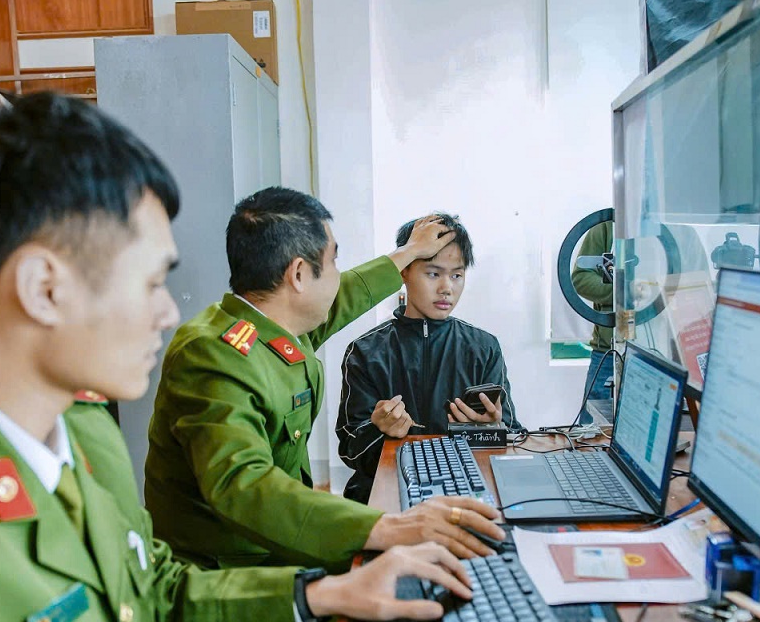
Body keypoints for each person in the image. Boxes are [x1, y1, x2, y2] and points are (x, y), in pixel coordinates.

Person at [0, 93, 474, 622]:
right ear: (43, 288)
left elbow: (151, 597)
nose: (168, 312)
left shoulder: (83, 427)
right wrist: (382, 531)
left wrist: (320, 596)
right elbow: (241, 488)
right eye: (148, 283)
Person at [145, 189, 505, 577]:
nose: (339, 276)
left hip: (279, 538)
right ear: (299, 275)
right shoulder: (215, 355)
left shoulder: (280, 328)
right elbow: (244, 489)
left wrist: (409, 252)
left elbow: (350, 294)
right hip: (231, 569)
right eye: (334, 262)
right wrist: (388, 528)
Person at [337, 213, 521, 503]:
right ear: (404, 271)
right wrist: (378, 429)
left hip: (465, 495)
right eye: (434, 274)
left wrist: (492, 429)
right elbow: (350, 451)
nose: (447, 288)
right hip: (385, 495)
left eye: (457, 275)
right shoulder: (365, 351)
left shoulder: (484, 348)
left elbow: (513, 438)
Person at [571, 221, 618, 424]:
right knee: (590, 433)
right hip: (608, 350)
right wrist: (622, 291)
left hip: (661, 355)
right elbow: (581, 279)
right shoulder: (607, 226)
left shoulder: (676, 227)